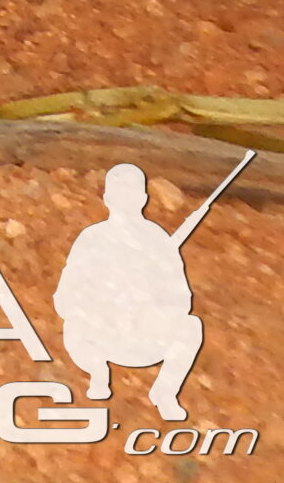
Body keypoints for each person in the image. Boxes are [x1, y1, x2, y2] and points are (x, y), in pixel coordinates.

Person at [52, 160, 210, 421]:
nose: (125, 197)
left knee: (190, 327)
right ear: (107, 198)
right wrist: (102, 303)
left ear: (143, 197)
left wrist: (151, 298)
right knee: (74, 326)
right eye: (119, 190)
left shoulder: (158, 240)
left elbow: (181, 297)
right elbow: (66, 294)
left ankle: (165, 392)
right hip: (103, 331)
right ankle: (98, 374)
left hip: (146, 331)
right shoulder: (92, 238)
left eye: (132, 190)